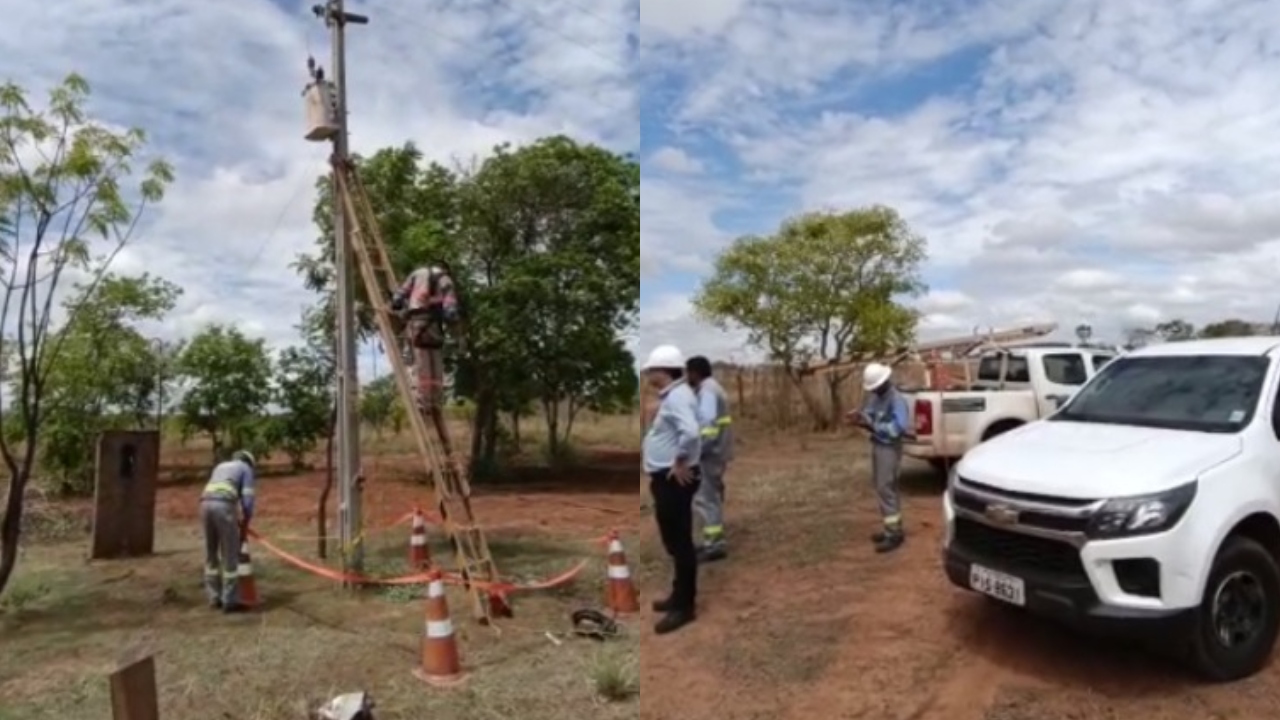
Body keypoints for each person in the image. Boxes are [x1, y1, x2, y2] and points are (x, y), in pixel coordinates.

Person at [641, 344, 703, 634]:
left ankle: (684, 607)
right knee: (675, 541)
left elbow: (691, 432)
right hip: (665, 478)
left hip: (673, 479)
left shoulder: (677, 396)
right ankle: (678, 596)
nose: (649, 374)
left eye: (652, 369)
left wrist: (679, 461)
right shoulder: (674, 396)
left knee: (680, 543)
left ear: (663, 371)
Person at [390, 261, 462, 456]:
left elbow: (399, 295)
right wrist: (454, 323)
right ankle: (434, 401)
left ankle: (423, 402)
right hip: (433, 329)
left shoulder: (416, 273)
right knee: (435, 366)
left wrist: (397, 305)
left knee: (421, 364)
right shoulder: (445, 280)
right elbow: (450, 307)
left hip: (416, 325)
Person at [852, 363, 910, 553]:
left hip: (889, 448)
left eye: (875, 386)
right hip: (878, 445)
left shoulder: (896, 400)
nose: (874, 390)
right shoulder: (876, 397)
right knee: (881, 487)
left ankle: (894, 534)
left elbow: (897, 428)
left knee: (886, 487)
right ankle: (890, 528)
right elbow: (870, 415)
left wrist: (873, 426)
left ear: (884, 382)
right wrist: (860, 418)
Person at [686, 355, 734, 563]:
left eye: (688, 372)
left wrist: (694, 453)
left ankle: (714, 545)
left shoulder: (707, 392)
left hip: (709, 454)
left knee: (707, 498)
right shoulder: (713, 388)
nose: (686, 376)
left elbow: (708, 429)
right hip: (717, 452)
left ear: (695, 372)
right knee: (709, 496)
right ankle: (710, 542)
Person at [200, 450, 257, 612]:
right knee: (230, 553)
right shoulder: (246, 469)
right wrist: (246, 520)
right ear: (249, 462)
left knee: (211, 553)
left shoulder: (220, 466)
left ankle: (213, 597)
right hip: (223, 506)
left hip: (204, 504)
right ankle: (230, 601)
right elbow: (247, 499)